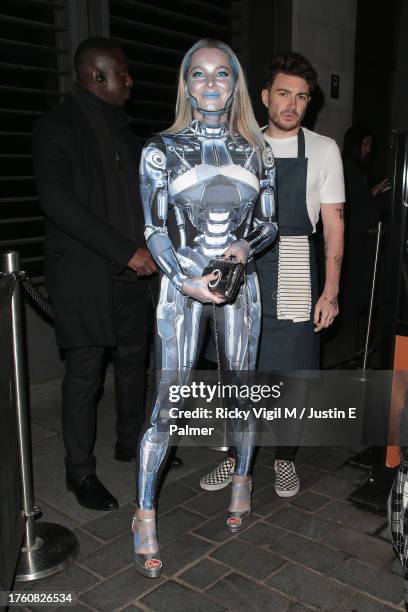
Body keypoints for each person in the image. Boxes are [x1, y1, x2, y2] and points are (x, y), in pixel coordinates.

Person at [132, 38, 278, 578]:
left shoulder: (256, 149)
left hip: (243, 285)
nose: (211, 84)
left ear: (236, 83)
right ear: (185, 83)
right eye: (200, 74)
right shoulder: (160, 150)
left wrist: (244, 248)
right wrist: (187, 281)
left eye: (222, 74)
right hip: (181, 285)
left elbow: (269, 222)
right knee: (169, 403)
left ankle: (242, 477)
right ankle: (144, 512)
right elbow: (153, 228)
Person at [200, 52, 345, 498]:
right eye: (283, 94)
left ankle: (284, 460)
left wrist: (331, 291)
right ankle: (234, 456)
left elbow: (335, 222)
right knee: (237, 368)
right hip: (244, 267)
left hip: (297, 261)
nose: (292, 105)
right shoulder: (240, 145)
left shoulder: (323, 149)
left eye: (301, 97)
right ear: (265, 97)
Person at [32, 37, 158, 512]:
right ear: (95, 77)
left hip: (132, 269)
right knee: (85, 372)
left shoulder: (127, 132)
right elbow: (58, 203)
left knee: (133, 359)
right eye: (122, 73)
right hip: (85, 272)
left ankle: (129, 441)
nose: (130, 81)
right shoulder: (55, 127)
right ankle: (79, 472)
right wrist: (125, 250)